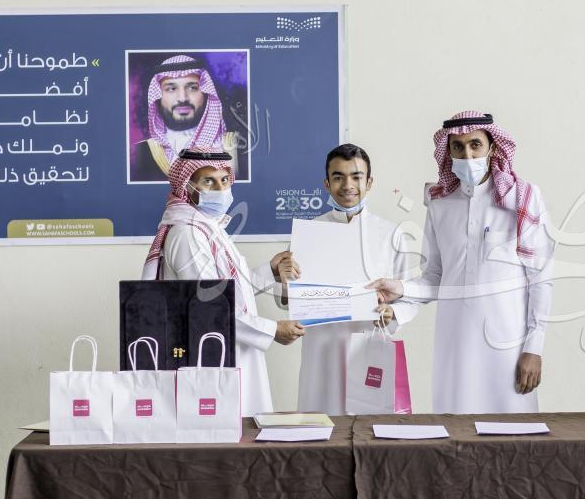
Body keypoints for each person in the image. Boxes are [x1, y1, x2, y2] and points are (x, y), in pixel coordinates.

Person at [368, 111, 555, 414]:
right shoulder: (439, 203)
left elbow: (541, 279)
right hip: (454, 342)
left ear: (492, 147)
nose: (467, 155)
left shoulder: (522, 198)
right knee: (455, 428)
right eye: (458, 147)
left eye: (475, 145)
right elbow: (436, 277)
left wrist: (534, 348)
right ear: (449, 152)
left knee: (514, 432)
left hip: (508, 343)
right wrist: (400, 288)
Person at [142, 148, 304, 416]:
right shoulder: (187, 234)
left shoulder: (207, 226)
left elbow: (228, 285)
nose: (220, 188)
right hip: (213, 357)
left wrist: (271, 271)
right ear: (187, 186)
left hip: (231, 350)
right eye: (208, 181)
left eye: (225, 180)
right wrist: (272, 330)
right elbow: (210, 307)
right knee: (222, 430)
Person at [273, 144, 418, 415]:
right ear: (327, 183)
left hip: (368, 346)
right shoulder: (308, 234)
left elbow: (409, 296)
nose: (348, 185)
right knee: (321, 425)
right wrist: (282, 280)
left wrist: (393, 313)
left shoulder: (391, 234)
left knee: (369, 427)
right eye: (338, 177)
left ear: (369, 182)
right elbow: (287, 300)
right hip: (321, 351)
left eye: (356, 176)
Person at [131, 55, 240, 181]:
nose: (182, 98)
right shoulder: (143, 152)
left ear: (206, 93)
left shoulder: (233, 147)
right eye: (171, 89)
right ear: (157, 97)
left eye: (192, 88)